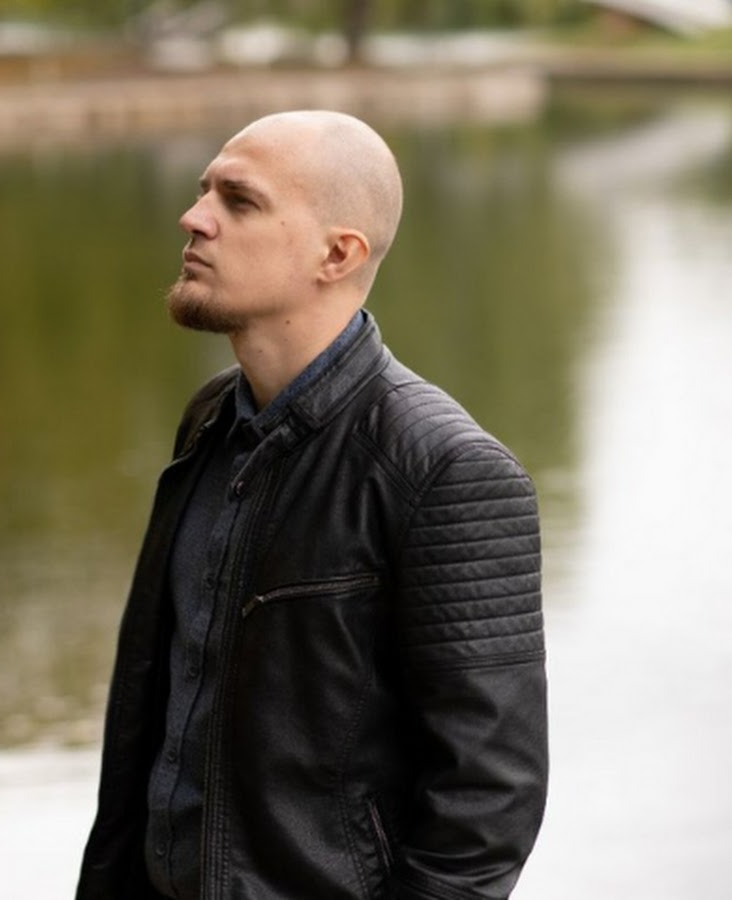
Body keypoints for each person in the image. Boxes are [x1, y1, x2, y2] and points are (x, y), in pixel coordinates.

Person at [77, 110, 547, 900]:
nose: (194, 218)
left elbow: (486, 810)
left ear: (338, 254)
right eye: (204, 192)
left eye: (239, 201)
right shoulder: (211, 420)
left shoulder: (447, 471)